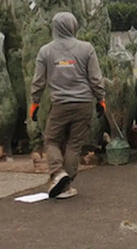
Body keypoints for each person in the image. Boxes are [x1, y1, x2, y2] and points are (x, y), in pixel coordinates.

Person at [30, 12, 105, 199]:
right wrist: (101, 99)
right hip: (84, 104)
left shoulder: (45, 51)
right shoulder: (86, 49)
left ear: (54, 28)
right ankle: (66, 184)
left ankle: (57, 173)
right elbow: (95, 78)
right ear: (74, 26)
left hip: (60, 105)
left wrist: (35, 102)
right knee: (74, 144)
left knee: (52, 140)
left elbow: (38, 81)